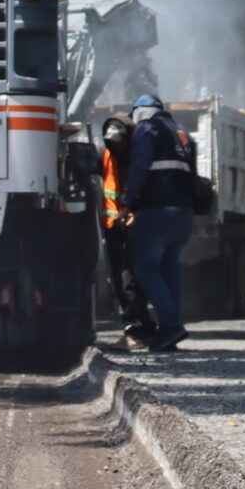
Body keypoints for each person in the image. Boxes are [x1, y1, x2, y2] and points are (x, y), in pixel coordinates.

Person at [121, 94, 198, 352]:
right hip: (184, 212)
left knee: (145, 269)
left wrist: (127, 202)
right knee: (169, 271)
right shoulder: (182, 131)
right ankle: (169, 330)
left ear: (140, 111)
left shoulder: (147, 128)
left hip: (158, 210)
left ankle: (172, 325)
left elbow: (140, 166)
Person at [98, 115, 154, 343]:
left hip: (134, 226)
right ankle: (145, 329)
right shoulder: (107, 156)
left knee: (129, 279)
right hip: (115, 228)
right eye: (112, 140)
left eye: (120, 140)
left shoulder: (138, 158)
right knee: (124, 280)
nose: (115, 144)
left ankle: (137, 331)